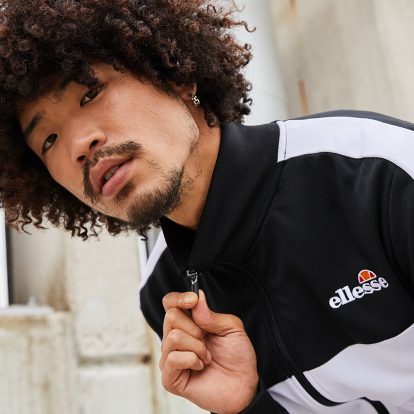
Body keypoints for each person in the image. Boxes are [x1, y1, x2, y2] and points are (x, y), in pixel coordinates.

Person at [0, 1, 412, 413]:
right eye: (48, 140)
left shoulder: (378, 172)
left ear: (176, 77)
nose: (78, 145)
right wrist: (245, 406)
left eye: (91, 92)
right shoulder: (164, 293)